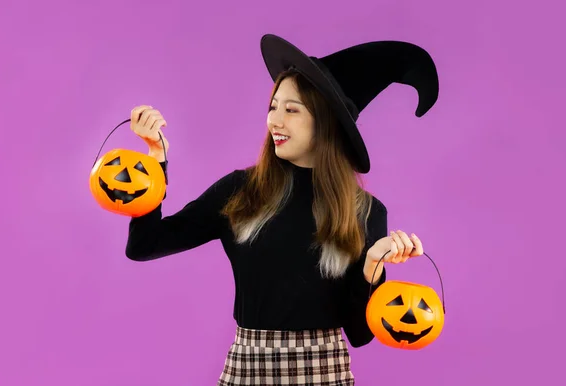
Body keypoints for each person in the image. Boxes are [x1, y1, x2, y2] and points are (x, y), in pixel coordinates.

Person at [124, 34, 439, 385]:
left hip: (326, 373)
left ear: (327, 123)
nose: (275, 121)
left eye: (291, 110)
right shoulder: (241, 191)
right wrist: (155, 162)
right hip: (247, 368)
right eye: (273, 107)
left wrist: (371, 268)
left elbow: (360, 333)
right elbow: (145, 244)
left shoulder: (364, 211)